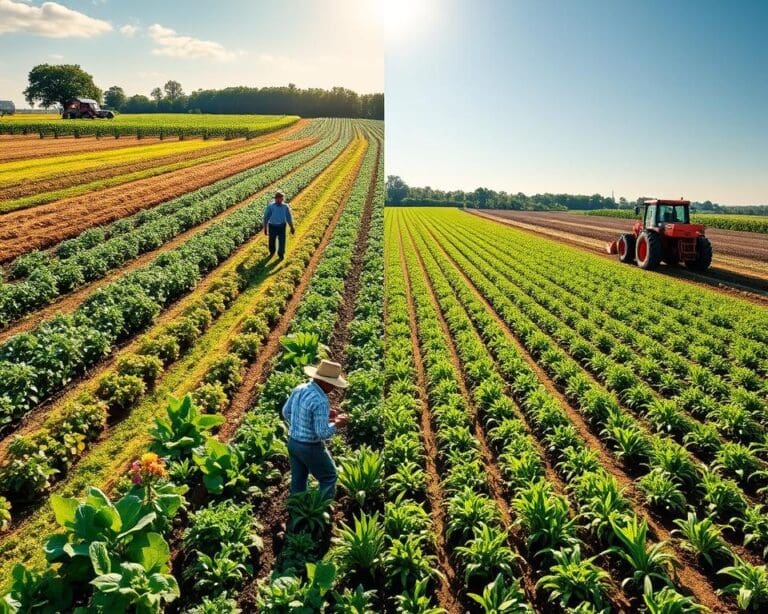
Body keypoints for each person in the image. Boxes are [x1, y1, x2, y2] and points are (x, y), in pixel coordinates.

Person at [281, 359, 349, 500]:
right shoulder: (321, 400)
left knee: (298, 479)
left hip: (293, 443)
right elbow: (322, 432)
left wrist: (322, 416)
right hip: (310, 447)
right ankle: (320, 509)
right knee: (329, 477)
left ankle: (296, 507)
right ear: (325, 382)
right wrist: (337, 423)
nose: (334, 388)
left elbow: (286, 412)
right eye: (332, 384)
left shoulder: (300, 388)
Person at [263, 190, 296, 261]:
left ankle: (281, 253)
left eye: (280, 198)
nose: (278, 200)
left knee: (282, 240)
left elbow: (288, 217)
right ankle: (272, 252)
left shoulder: (285, 207)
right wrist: (265, 228)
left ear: (282, 199)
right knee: (271, 240)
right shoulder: (271, 207)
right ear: (275, 199)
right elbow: (266, 217)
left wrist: (292, 227)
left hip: (282, 226)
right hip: (272, 226)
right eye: (277, 198)